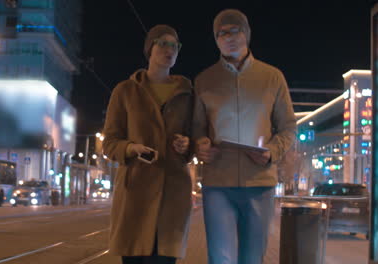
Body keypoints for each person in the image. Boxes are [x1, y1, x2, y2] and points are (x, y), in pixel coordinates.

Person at [193, 9, 297, 264]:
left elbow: (288, 127)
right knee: (221, 258)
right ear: (216, 40)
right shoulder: (205, 80)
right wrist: (201, 144)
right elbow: (197, 128)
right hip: (218, 184)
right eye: (221, 33)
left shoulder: (272, 77)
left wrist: (272, 150)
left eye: (234, 30)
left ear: (247, 34)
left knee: (252, 258)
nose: (228, 37)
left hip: (259, 184)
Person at [102, 25, 194, 264]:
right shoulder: (125, 91)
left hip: (173, 195)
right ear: (149, 49)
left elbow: (196, 138)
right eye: (163, 43)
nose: (169, 50)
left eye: (175, 45)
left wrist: (188, 145)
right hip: (135, 196)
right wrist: (131, 148)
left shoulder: (187, 94)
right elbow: (109, 143)